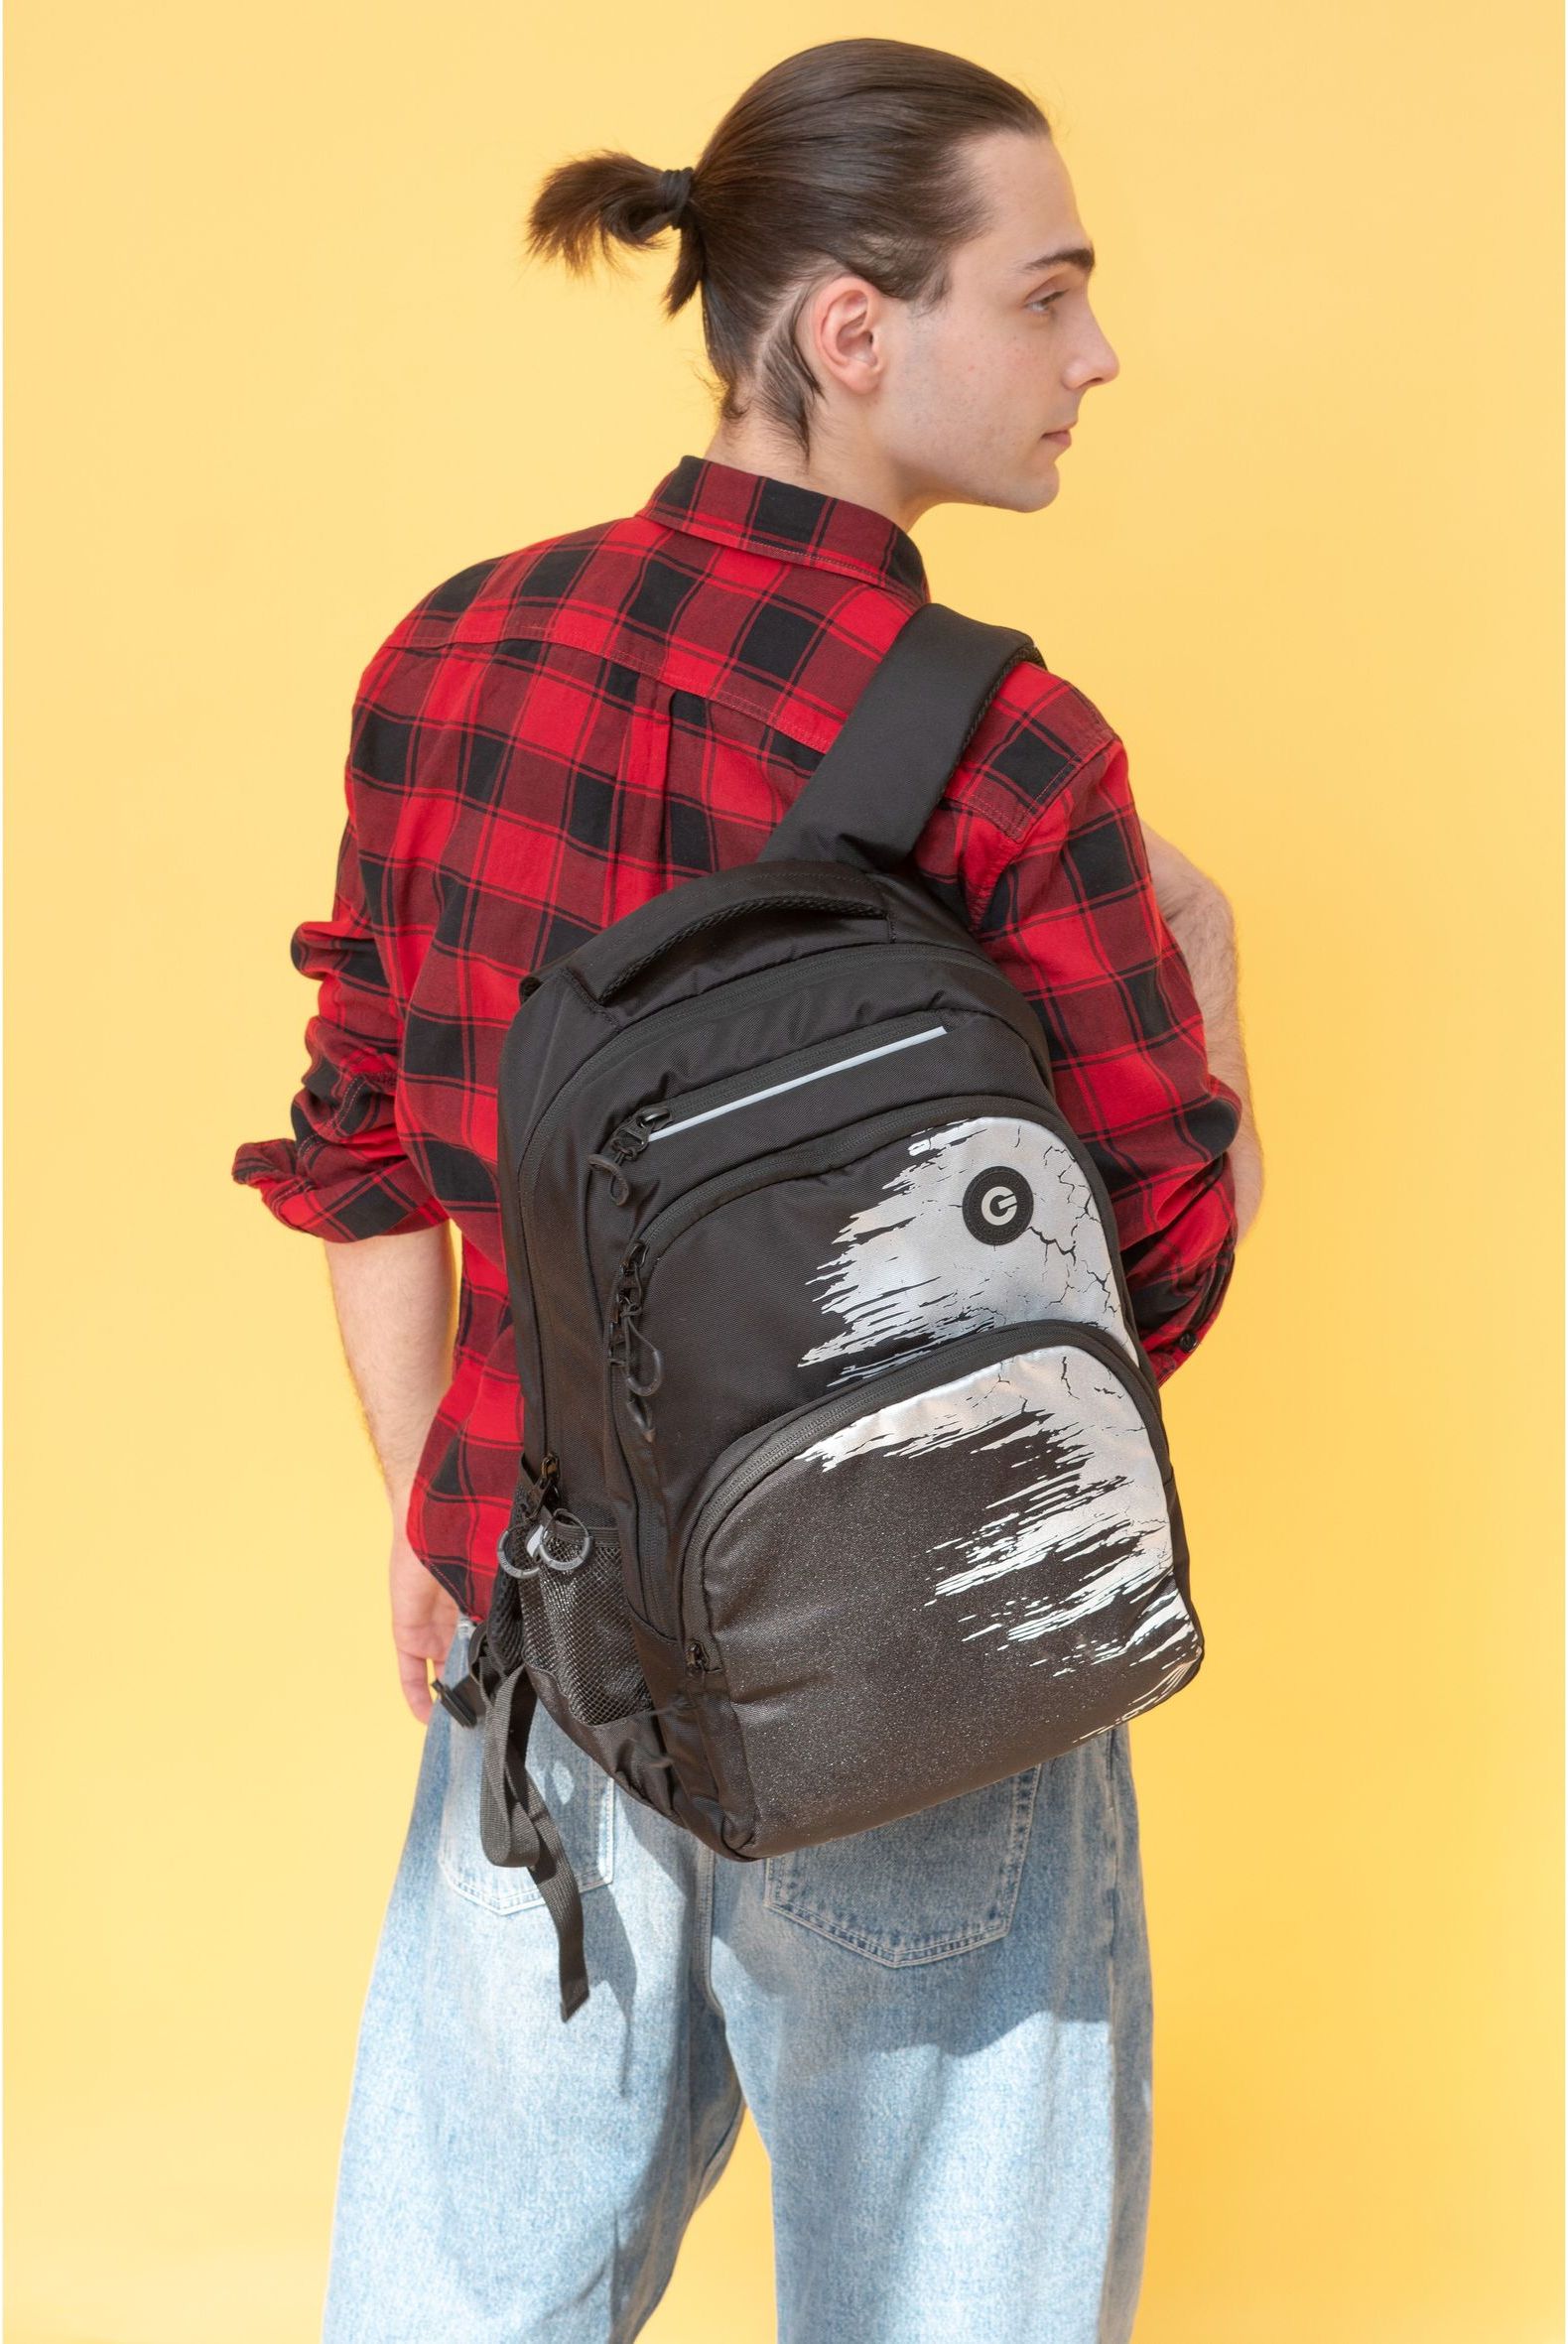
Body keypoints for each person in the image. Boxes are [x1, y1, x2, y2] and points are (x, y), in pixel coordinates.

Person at [231, 36, 1262, 2344]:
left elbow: (361, 1142)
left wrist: (434, 1515)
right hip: (914, 1661)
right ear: (852, 330)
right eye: (1046, 292)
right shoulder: (1007, 750)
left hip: (531, 1634)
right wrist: (1210, 967)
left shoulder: (451, 648)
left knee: (463, 2298)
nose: (1097, 352)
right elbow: (1147, 1283)